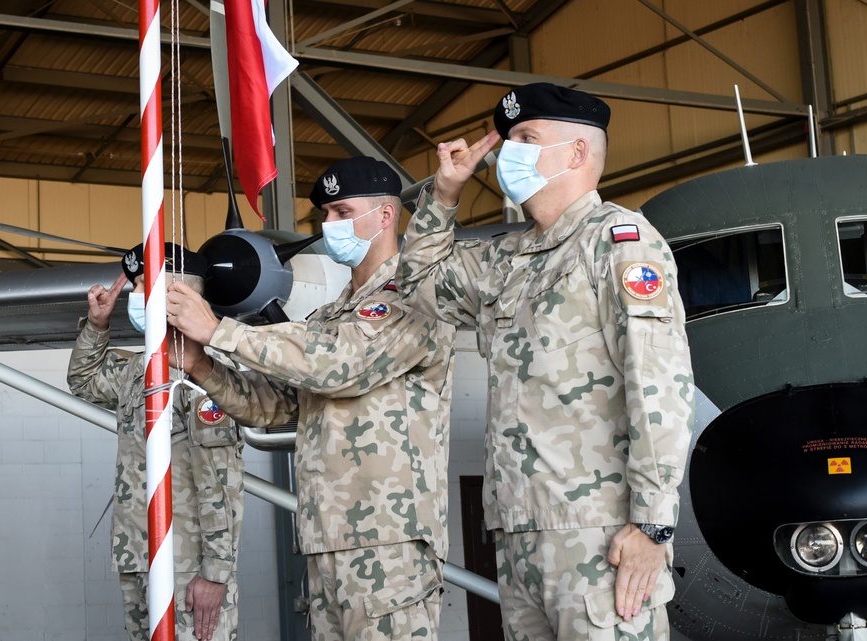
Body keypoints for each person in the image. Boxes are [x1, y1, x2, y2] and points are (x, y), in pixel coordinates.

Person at [397, 83, 695, 640]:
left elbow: (659, 382)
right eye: (508, 140)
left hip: (599, 531)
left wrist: (652, 524)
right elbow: (417, 285)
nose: (509, 153)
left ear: (577, 153)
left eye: (526, 138)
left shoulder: (619, 241)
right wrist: (442, 196)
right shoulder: (508, 258)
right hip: (519, 530)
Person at [164, 156, 457, 641]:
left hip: (390, 541)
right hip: (329, 538)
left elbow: (338, 362)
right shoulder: (330, 314)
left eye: (342, 212)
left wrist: (220, 331)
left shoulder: (416, 295)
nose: (329, 225)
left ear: (386, 216)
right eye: (325, 214)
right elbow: (278, 404)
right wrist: (201, 365)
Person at [67, 243, 244, 641]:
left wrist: (215, 575)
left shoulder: (202, 375)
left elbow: (220, 482)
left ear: (179, 294)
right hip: (138, 552)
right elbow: (83, 380)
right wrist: (97, 326)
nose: (134, 296)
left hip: (186, 563)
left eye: (145, 285)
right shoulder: (139, 368)